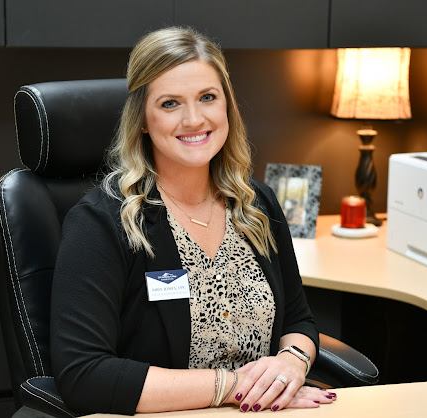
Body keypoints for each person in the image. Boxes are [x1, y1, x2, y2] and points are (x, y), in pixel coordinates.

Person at [50, 26, 335, 416]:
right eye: (170, 104)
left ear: (226, 106)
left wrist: (291, 364)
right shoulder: (102, 222)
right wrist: (234, 387)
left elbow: (298, 320)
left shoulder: (256, 204)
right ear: (143, 119)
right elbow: (84, 374)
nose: (194, 118)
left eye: (207, 97)